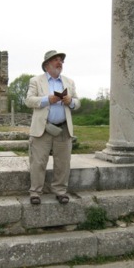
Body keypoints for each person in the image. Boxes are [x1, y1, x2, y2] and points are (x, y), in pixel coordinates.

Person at [25, 50, 80, 205]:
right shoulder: (36, 81)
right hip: (42, 129)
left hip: (63, 129)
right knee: (38, 162)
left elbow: (78, 102)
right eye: (56, 60)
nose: (60, 62)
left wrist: (71, 101)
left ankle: (60, 191)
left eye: (61, 60)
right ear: (47, 65)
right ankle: (35, 192)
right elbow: (29, 101)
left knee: (63, 163)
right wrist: (47, 99)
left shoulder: (69, 82)